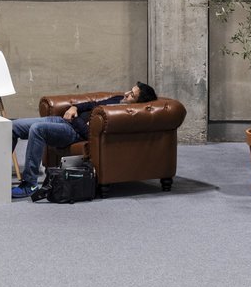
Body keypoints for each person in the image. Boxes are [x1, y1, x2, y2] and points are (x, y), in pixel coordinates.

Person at [10, 81, 158, 199]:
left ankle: (30, 184)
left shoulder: (121, 115)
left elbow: (89, 133)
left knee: (37, 129)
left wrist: (75, 119)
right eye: (129, 90)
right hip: (63, 120)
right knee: (13, 126)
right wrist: (74, 108)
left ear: (137, 104)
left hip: (72, 132)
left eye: (132, 94)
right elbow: (91, 105)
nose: (126, 94)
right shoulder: (117, 99)